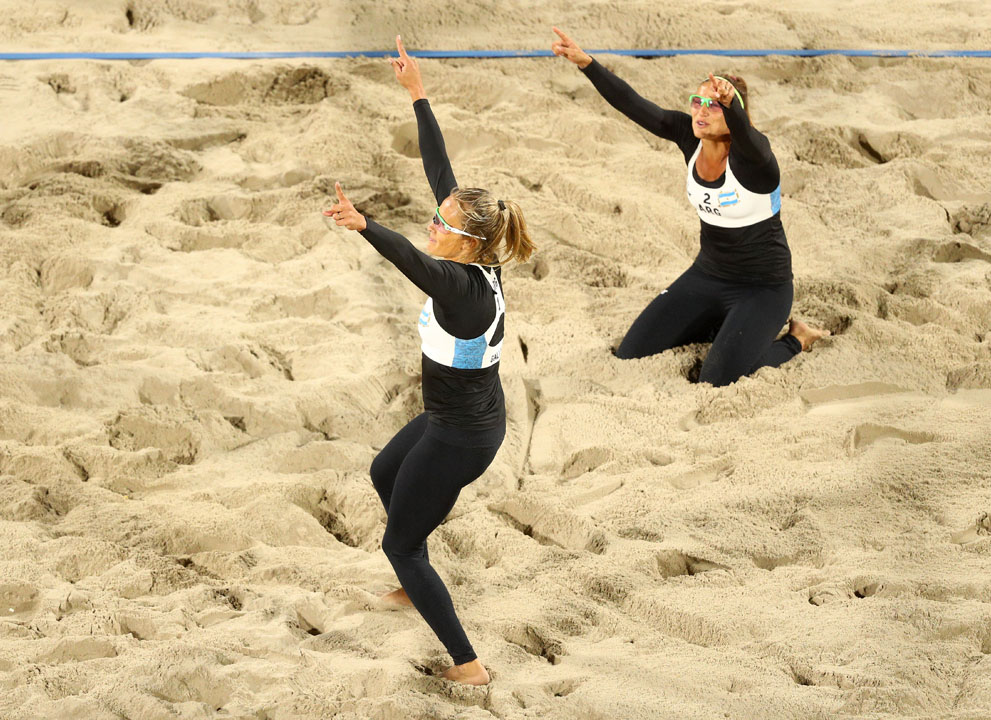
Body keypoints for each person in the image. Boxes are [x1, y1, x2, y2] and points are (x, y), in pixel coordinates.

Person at [323, 36, 535, 686]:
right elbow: (439, 169)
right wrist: (418, 93)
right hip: (460, 414)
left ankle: (468, 666)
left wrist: (366, 226)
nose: (431, 226)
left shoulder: (462, 289)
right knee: (385, 472)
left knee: (399, 542)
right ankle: (415, 577)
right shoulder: (477, 251)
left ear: (465, 242)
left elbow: (411, 261)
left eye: (441, 225)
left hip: (462, 434)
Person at [551, 28, 829, 386]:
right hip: (708, 275)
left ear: (734, 114)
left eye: (713, 105)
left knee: (714, 381)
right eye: (697, 101)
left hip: (763, 288)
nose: (701, 110)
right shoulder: (689, 137)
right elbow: (633, 104)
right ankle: (723, 327)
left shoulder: (756, 160)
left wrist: (732, 106)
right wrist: (586, 64)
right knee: (630, 353)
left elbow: (748, 135)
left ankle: (797, 339)